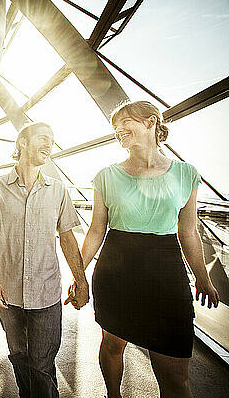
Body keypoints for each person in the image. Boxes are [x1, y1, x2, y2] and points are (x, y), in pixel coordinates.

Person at [76, 101, 219, 398]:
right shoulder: (106, 176)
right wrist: (78, 276)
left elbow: (188, 230)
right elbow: (96, 231)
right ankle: (112, 394)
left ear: (151, 122)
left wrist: (203, 277)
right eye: (115, 127)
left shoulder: (186, 174)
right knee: (113, 345)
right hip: (116, 272)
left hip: (166, 274)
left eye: (125, 122)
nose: (118, 130)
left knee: (176, 377)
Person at [0, 122, 89, 397]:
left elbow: (67, 237)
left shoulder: (58, 190)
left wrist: (81, 280)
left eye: (52, 139)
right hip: (8, 293)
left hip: (46, 292)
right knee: (18, 357)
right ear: (22, 143)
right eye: (43, 138)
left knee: (41, 364)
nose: (49, 144)